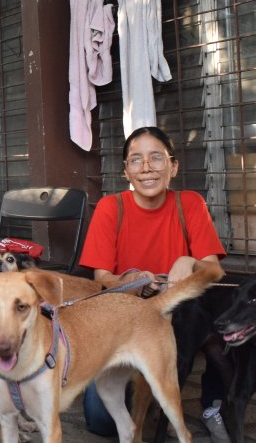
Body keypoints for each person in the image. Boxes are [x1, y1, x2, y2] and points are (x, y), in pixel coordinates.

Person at [77, 125, 229, 443]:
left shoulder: (189, 204)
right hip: (124, 320)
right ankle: (149, 389)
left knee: (212, 313)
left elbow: (215, 271)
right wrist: (127, 281)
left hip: (177, 317)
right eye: (136, 160)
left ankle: (209, 403)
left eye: (156, 158)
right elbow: (101, 279)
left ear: (173, 166)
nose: (146, 168)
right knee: (102, 421)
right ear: (126, 172)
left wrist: (189, 262)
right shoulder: (111, 208)